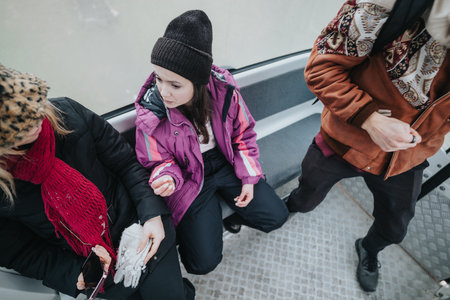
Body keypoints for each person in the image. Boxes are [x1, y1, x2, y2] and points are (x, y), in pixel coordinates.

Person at [287, 0, 449, 293]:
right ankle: (292, 205)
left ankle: (368, 249)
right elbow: (321, 69)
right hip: (344, 141)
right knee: (306, 196)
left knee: (395, 229)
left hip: (405, 159)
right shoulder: (386, 4)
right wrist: (371, 120)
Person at [0, 64, 195, 300]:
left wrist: (152, 215)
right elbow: (21, 252)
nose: (37, 120)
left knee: (172, 294)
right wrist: (77, 274)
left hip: (142, 228)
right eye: (22, 127)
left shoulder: (67, 113)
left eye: (35, 107)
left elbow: (126, 163)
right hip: (98, 270)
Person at [134, 10, 289, 275]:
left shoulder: (225, 92)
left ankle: (225, 215)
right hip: (188, 175)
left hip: (226, 161)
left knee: (276, 216)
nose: (163, 91)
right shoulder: (152, 113)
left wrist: (249, 176)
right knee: (202, 264)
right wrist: (167, 176)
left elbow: (244, 133)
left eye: (175, 84)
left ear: (199, 81)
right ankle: (205, 223)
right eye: (158, 78)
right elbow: (154, 160)